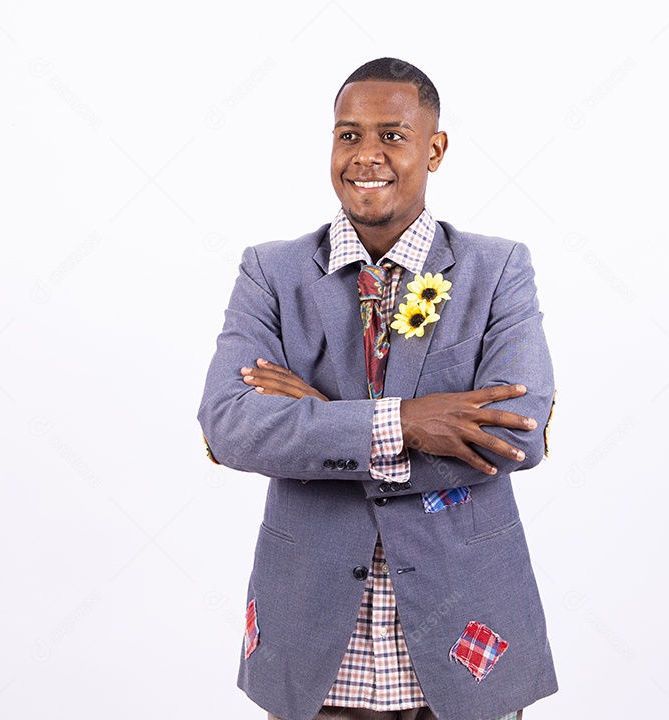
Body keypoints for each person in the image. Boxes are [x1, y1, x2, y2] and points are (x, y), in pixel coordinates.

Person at [198, 57, 557, 720]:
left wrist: (322, 424)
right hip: (314, 645)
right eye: (348, 135)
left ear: (435, 148)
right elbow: (229, 426)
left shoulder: (497, 268)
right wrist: (411, 422)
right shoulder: (270, 273)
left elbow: (519, 433)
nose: (367, 155)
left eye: (392, 135)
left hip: (466, 640)